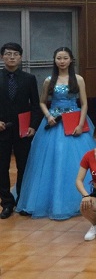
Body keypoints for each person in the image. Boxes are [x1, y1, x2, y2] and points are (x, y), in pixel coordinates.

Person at [17, 47, 96, 220]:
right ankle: (51, 201)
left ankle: (83, 199)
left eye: (65, 58)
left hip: (74, 122)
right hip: (53, 124)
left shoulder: (78, 79)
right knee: (53, 161)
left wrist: (80, 124)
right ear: (54, 60)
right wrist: (48, 116)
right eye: (59, 58)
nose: (62, 61)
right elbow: (42, 102)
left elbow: (84, 103)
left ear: (71, 60)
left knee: (76, 162)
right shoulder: (48, 80)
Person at [0, 42, 41, 219]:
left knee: (24, 166)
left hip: (24, 130)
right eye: (8, 54)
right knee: (2, 167)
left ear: (20, 57)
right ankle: (7, 203)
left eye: (15, 54)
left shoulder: (29, 78)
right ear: (2, 57)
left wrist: (33, 126)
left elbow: (36, 105)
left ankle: (22, 201)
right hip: (2, 129)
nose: (12, 57)